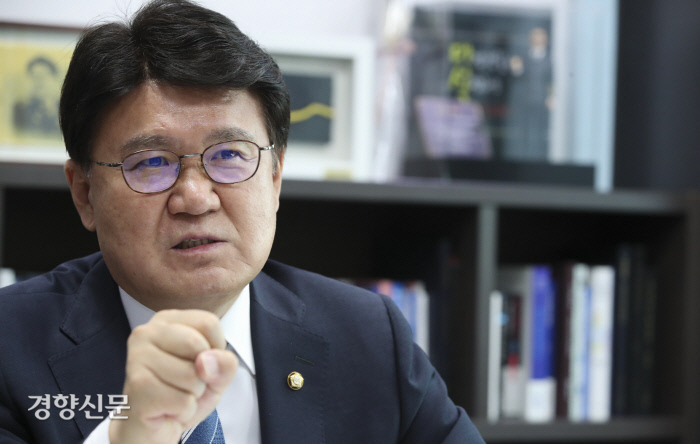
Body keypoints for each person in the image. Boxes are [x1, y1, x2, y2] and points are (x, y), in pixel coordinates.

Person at [0, 1, 485, 443]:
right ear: (84, 194)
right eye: (151, 163)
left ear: (274, 177)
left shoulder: (369, 335)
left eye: (230, 155)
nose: (195, 198)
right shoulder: (9, 346)